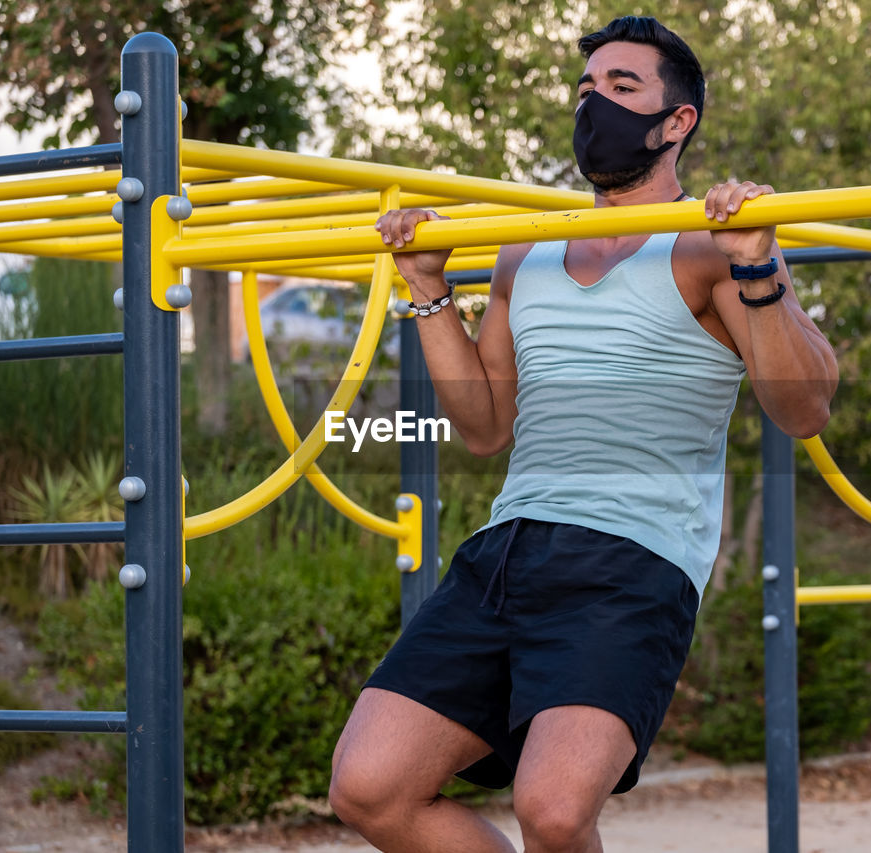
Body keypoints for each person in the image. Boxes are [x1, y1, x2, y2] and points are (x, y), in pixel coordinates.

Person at [329, 15, 838, 853]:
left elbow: (806, 406)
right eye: (586, 88)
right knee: (371, 787)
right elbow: (486, 426)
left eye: (622, 87)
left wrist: (756, 264)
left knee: (556, 812)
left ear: (678, 122)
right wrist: (427, 291)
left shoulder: (711, 243)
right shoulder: (524, 250)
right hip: (508, 549)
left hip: (632, 560)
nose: (594, 102)